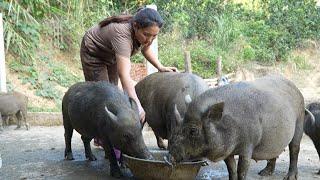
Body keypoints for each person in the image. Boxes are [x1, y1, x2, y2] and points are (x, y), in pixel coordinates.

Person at [80, 8, 177, 162]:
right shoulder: (122, 34)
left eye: (154, 36)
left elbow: (146, 48)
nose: (149, 40)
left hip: (110, 53)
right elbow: (125, 76)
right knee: (104, 95)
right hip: (94, 52)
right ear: (136, 26)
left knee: (112, 91)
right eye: (146, 35)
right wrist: (137, 105)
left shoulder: (142, 31)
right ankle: (105, 139)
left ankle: (106, 137)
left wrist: (160, 67)